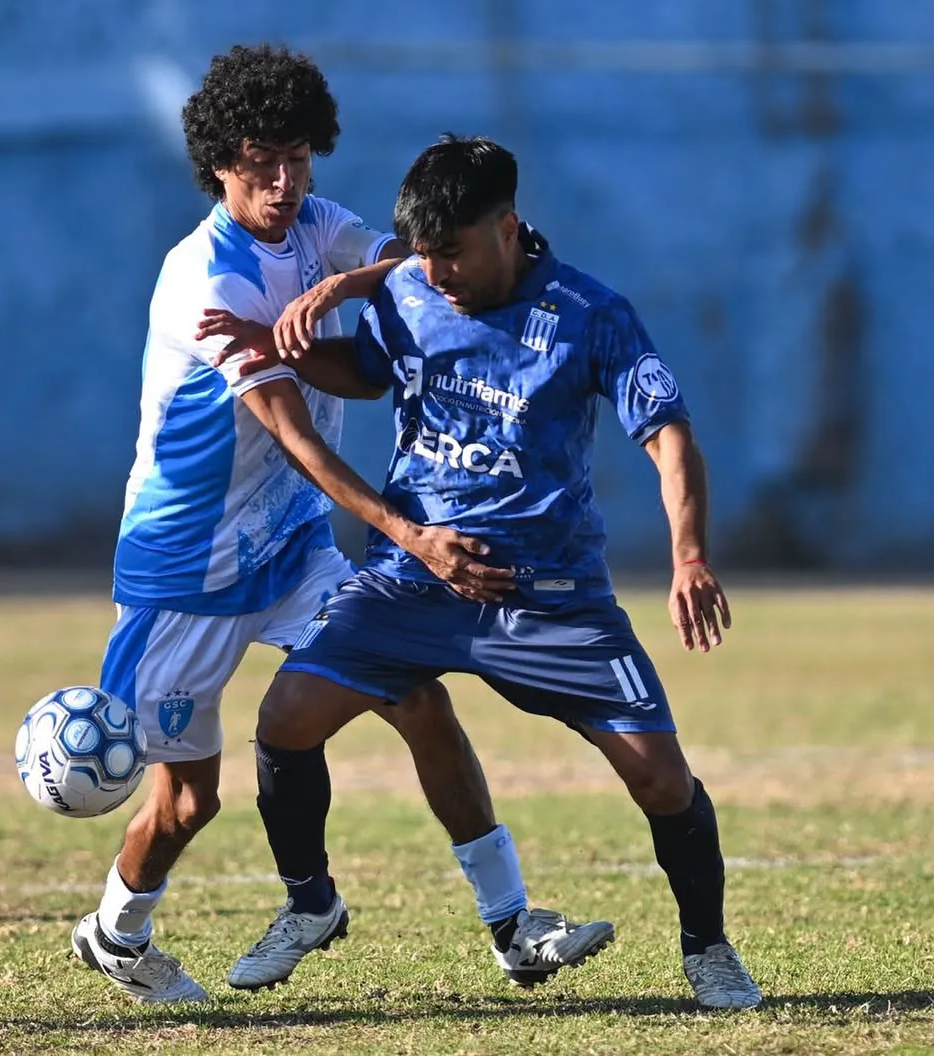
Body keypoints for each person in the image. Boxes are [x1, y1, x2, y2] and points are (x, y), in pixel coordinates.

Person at [70, 49, 614, 1006]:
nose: (283, 183)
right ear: (218, 166)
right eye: (258, 163)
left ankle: (512, 924)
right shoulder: (206, 279)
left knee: (421, 703)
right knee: (187, 800)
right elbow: (292, 433)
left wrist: (340, 288)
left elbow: (416, 262)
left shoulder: (319, 228)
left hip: (289, 551)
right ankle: (116, 932)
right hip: (184, 573)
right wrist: (412, 536)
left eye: (297, 158)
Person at [200, 134, 764, 1010]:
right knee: (285, 719)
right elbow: (364, 369)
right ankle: (312, 904)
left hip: (549, 597)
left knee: (659, 776)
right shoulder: (409, 288)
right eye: (423, 256)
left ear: (506, 228)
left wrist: (689, 555)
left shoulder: (589, 314)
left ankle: (708, 948)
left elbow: (669, 436)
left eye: (451, 252)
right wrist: (278, 347)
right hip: (413, 577)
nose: (437, 273)